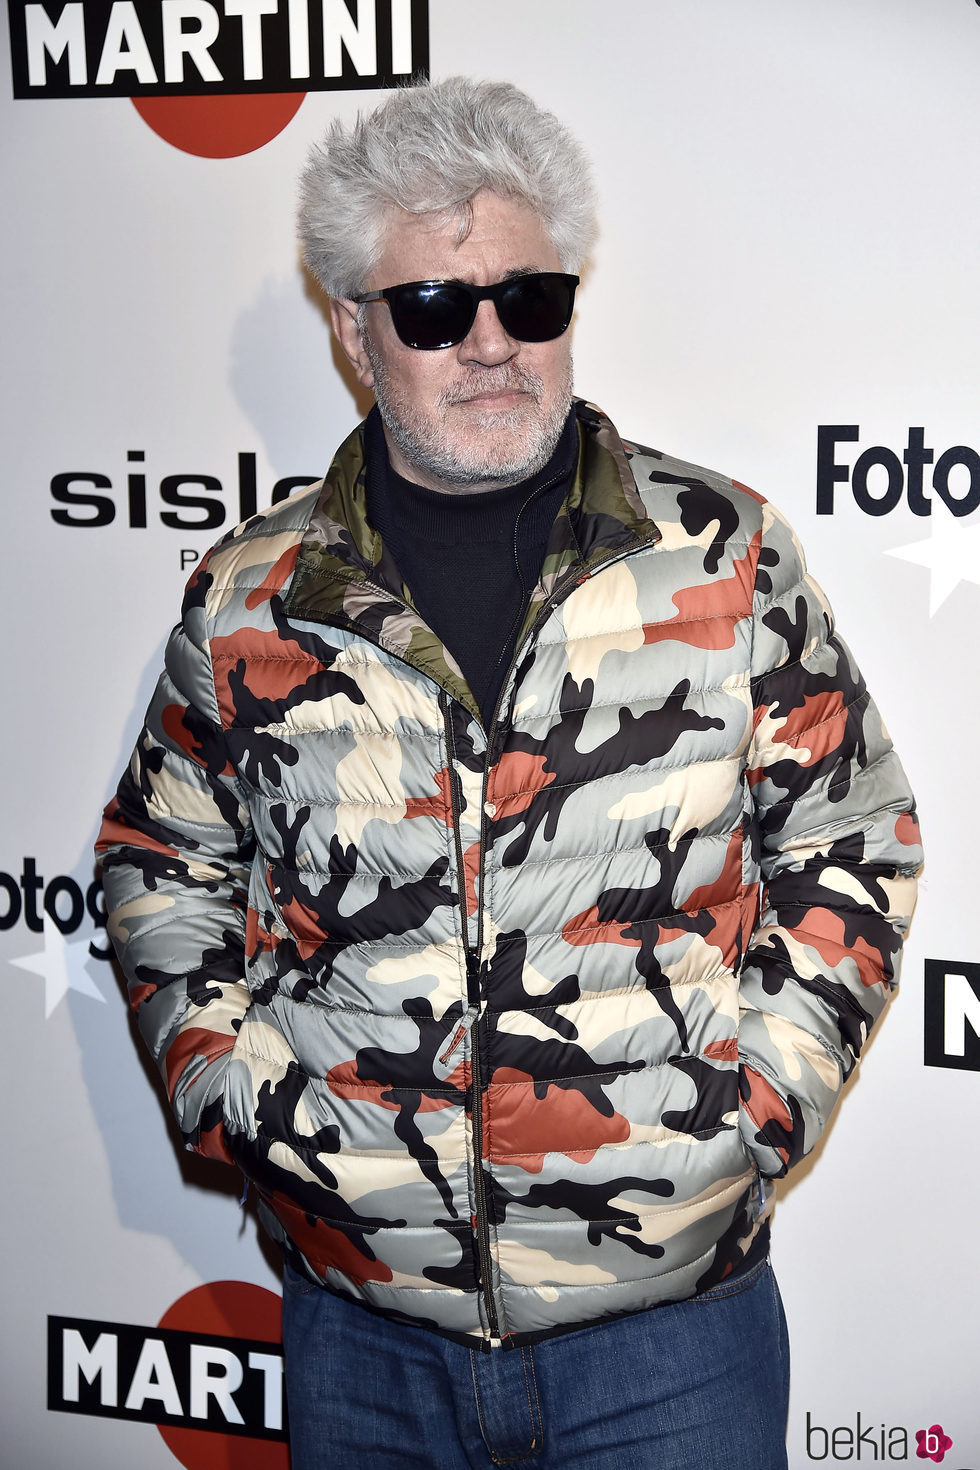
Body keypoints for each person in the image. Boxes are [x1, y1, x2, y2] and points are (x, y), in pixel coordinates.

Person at [97, 77, 921, 1470]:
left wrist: (749, 1113)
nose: (493, 343)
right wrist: (245, 1103)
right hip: (363, 1337)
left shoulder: (720, 555)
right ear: (356, 333)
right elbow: (158, 865)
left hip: (672, 1341)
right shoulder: (252, 597)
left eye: (531, 299)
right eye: (435, 309)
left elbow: (855, 836)